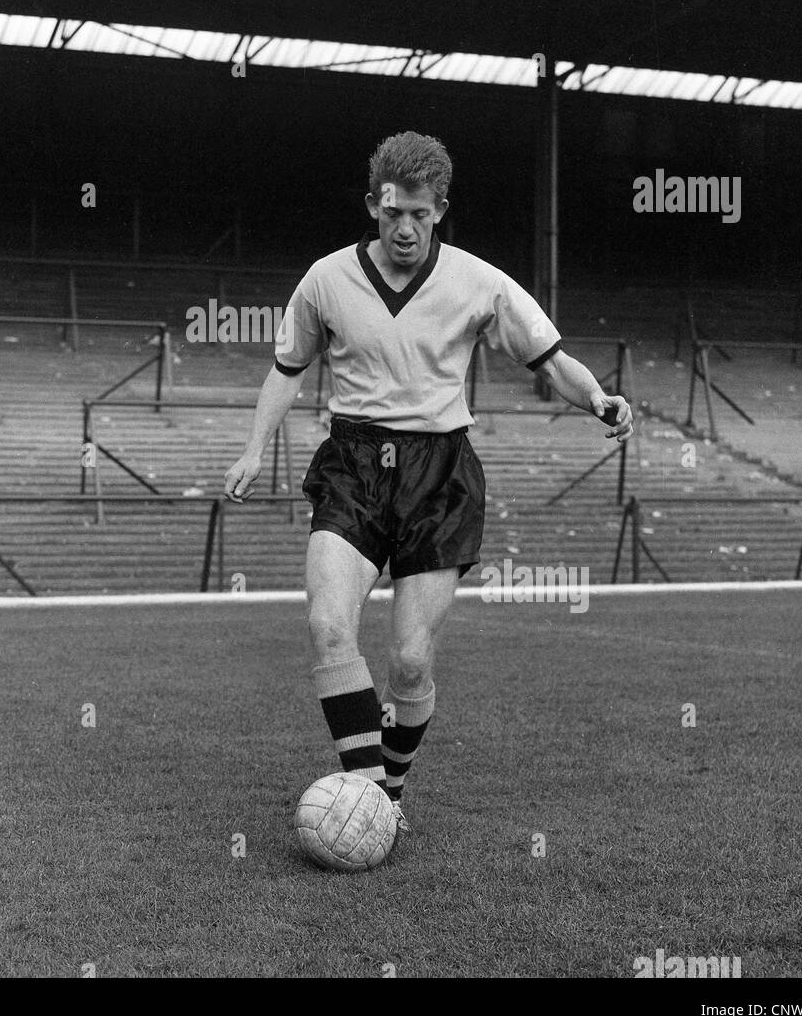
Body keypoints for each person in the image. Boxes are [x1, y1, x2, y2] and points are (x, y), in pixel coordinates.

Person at [223, 132, 633, 833]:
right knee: (327, 627)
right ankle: (373, 801)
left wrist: (598, 399)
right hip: (352, 466)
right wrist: (254, 449)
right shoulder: (325, 279)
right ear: (372, 206)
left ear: (440, 209)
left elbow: (551, 357)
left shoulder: (482, 282)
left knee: (410, 663)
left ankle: (390, 795)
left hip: (439, 473)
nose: (404, 228)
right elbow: (286, 371)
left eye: (418, 213)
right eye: (391, 214)